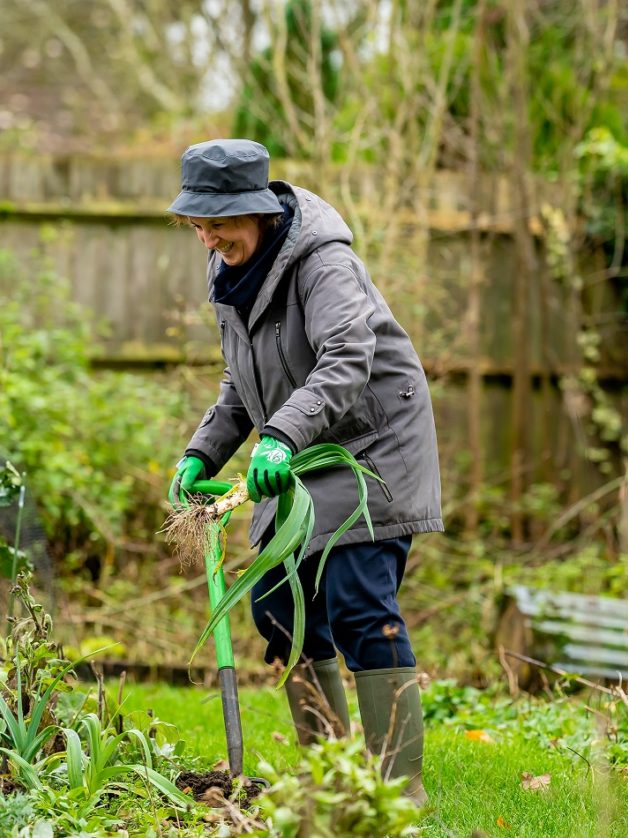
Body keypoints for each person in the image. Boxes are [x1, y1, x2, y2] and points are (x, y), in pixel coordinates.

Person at [166, 139, 442, 805]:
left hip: (368, 447)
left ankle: (395, 795)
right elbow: (244, 383)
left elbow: (347, 355)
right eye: (196, 221)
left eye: (218, 220)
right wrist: (204, 451)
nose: (206, 234)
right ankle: (335, 781)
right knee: (278, 608)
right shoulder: (228, 269)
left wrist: (280, 436)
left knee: (356, 601)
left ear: (258, 212)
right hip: (294, 452)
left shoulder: (324, 261)